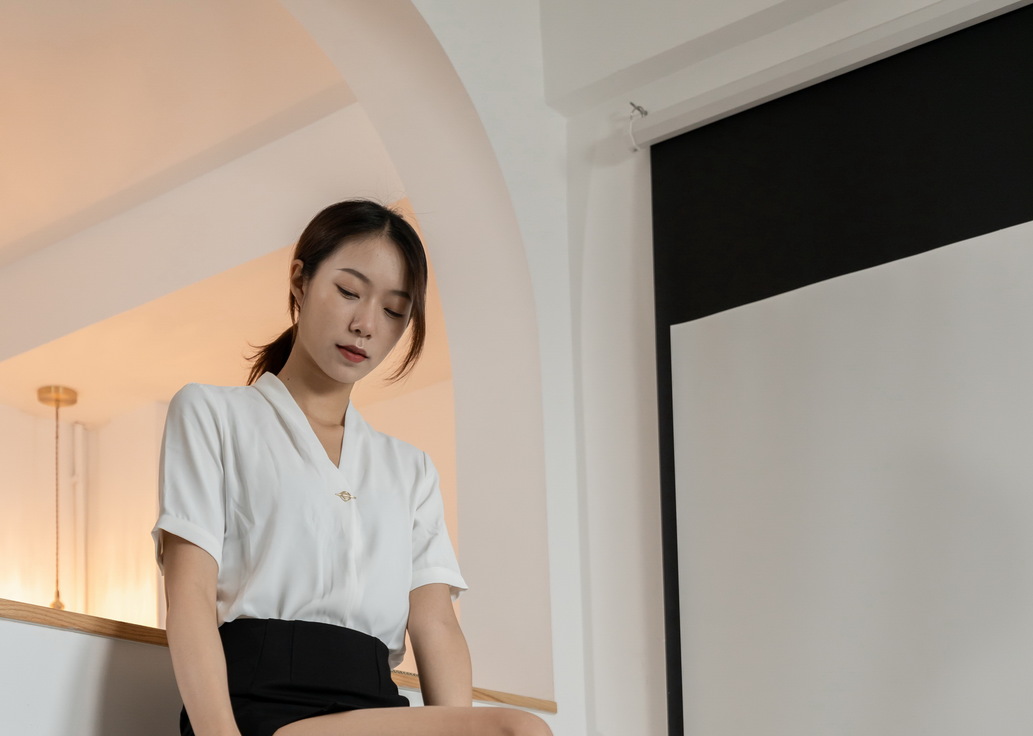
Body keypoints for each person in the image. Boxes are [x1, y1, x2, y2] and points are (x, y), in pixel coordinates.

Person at [151, 200, 552, 736]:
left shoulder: (410, 469)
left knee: (515, 732)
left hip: (376, 707)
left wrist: (456, 729)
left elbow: (435, 624)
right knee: (520, 730)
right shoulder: (212, 414)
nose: (365, 325)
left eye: (393, 310)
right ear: (300, 281)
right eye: (348, 291)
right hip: (262, 710)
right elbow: (190, 597)